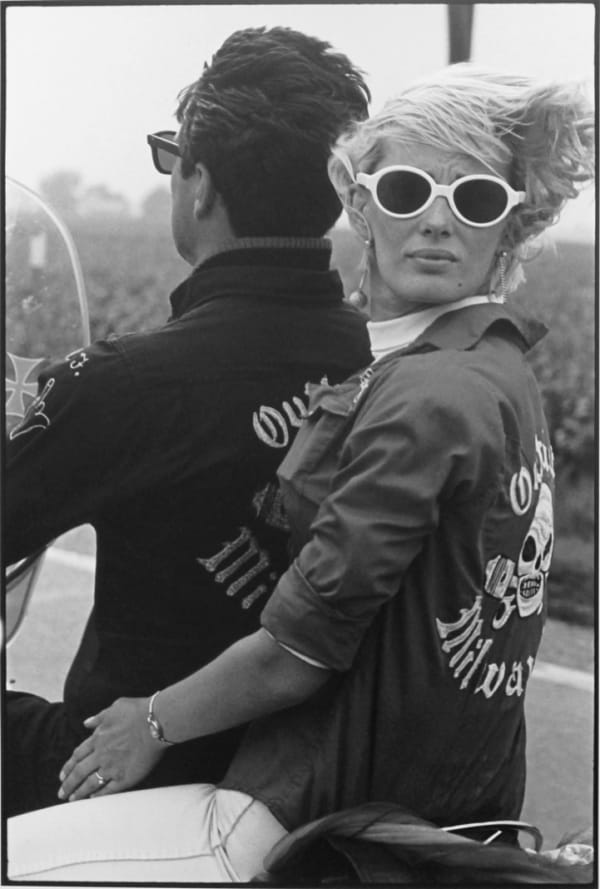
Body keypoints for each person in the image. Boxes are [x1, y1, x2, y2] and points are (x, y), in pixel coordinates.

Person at [7, 65, 593, 883]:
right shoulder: (491, 368)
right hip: (457, 803)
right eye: (406, 190)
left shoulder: (425, 396)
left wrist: (151, 721)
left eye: (476, 201)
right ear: (356, 201)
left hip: (311, 809)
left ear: (510, 226)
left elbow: (298, 649)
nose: (435, 221)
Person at [4, 25, 372, 818]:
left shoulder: (127, 382)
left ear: (199, 183)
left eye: (174, 160)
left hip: (130, 771)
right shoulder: (373, 351)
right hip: (305, 767)